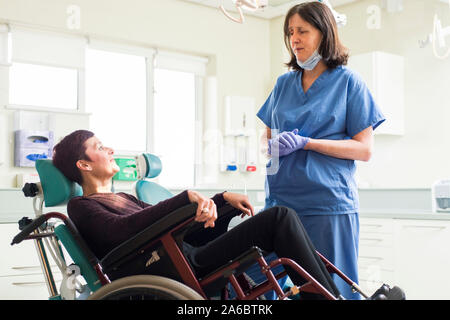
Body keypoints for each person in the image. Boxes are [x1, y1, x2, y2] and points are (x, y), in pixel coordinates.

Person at [52, 129, 342, 300]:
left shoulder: (124, 197)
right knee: (278, 219)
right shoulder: (80, 206)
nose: (110, 149)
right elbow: (123, 231)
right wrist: (184, 199)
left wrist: (221, 202)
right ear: (84, 165)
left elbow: (167, 230)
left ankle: (331, 297)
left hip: (184, 258)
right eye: (100, 147)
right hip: (169, 271)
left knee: (281, 219)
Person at [256, 2, 385, 300]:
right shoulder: (283, 84)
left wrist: (308, 143)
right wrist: (270, 146)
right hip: (280, 204)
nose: (294, 39)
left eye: (303, 31)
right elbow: (266, 140)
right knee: (262, 291)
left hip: (327, 207)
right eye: (290, 32)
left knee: (329, 291)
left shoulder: (348, 82)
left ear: (324, 34)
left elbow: (364, 149)